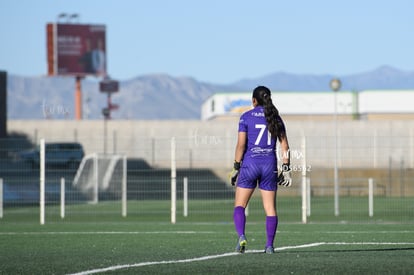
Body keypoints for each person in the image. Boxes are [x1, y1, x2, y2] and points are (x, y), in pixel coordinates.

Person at [230, 85, 292, 254]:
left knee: (240, 206)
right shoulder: (275, 118)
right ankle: (269, 245)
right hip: (269, 165)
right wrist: (286, 168)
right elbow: (284, 145)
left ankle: (242, 237)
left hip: (250, 165)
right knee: (270, 208)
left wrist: (236, 167)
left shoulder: (245, 117)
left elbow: (241, 145)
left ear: (254, 100)